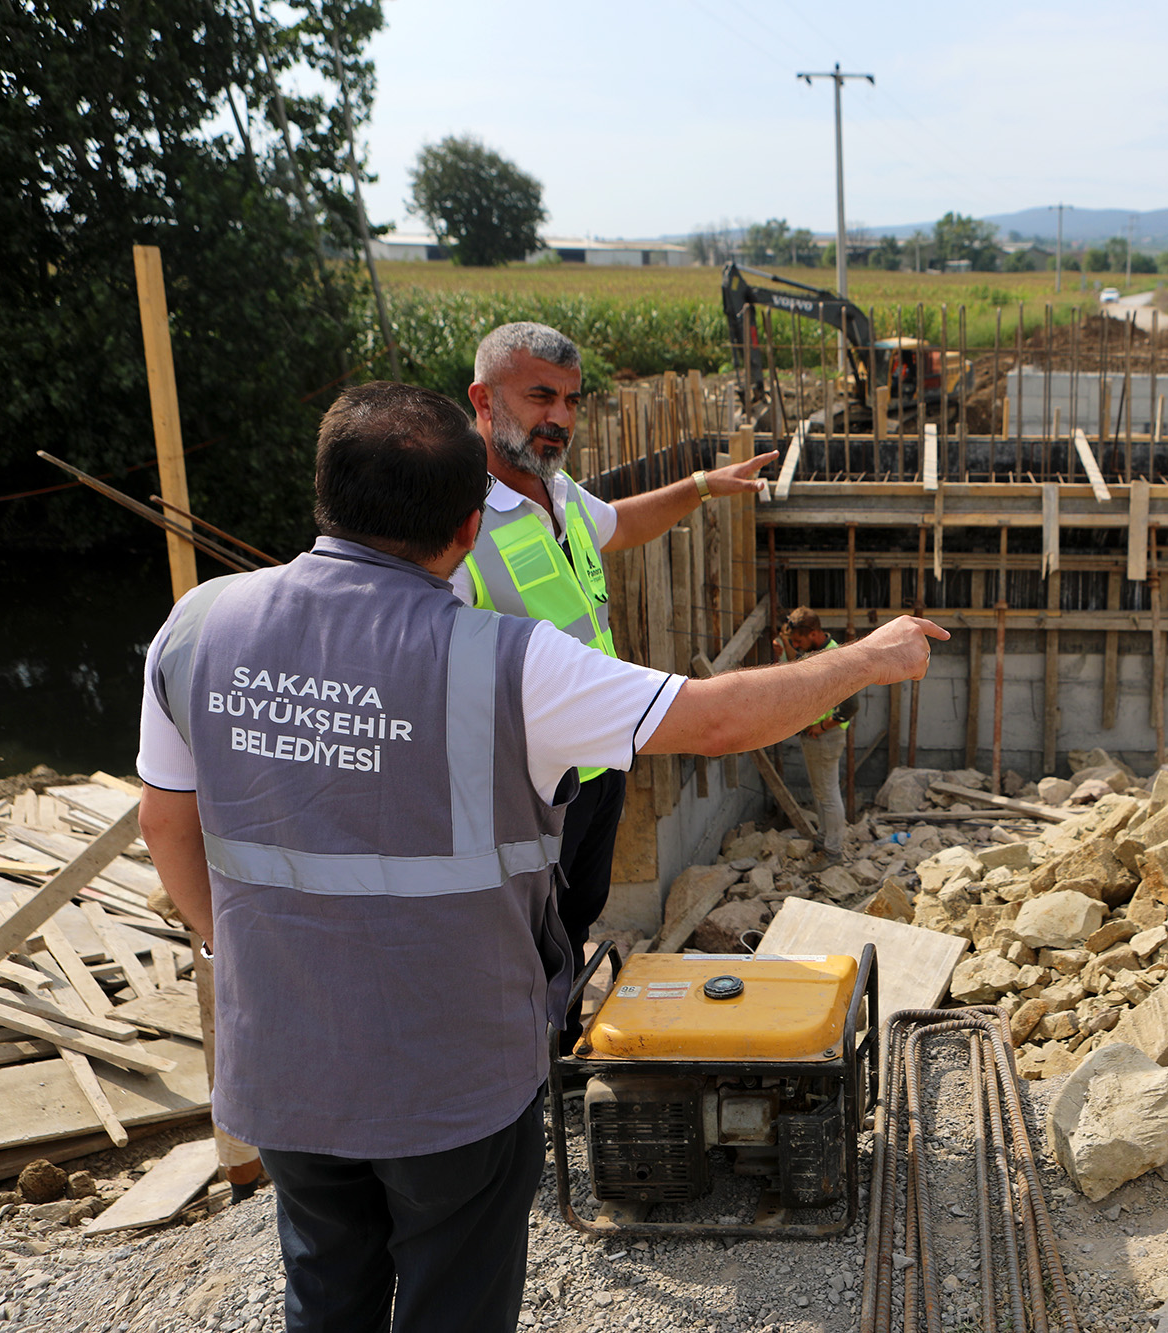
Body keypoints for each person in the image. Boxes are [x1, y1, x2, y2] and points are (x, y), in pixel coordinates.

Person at [135, 381, 943, 1333]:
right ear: (473, 525)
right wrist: (867, 657)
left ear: (325, 491)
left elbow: (167, 828)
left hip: (283, 1062)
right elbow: (719, 718)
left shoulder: (196, 627)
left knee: (324, 1288)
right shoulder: (509, 663)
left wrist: (247, 961)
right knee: (454, 1300)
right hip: (454, 1079)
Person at [456, 322, 776, 1036]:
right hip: (527, 785)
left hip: (598, 767)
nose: (560, 417)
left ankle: (559, 1042)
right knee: (524, 938)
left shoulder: (558, 494)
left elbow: (620, 526)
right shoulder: (460, 522)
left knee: (575, 915)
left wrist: (700, 487)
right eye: (541, 396)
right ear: (483, 400)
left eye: (571, 400)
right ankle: (522, 1067)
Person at [775, 606, 855, 859]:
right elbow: (798, 677)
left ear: (813, 633)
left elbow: (851, 706)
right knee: (821, 792)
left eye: (798, 641)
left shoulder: (834, 659)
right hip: (816, 736)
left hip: (824, 737)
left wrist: (821, 727)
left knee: (828, 794)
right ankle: (824, 838)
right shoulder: (814, 653)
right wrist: (783, 654)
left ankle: (832, 850)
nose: (796, 646)